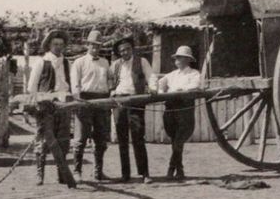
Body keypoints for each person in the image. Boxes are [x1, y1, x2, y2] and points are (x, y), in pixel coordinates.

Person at [27, 29, 72, 185]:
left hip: (63, 105)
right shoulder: (41, 62)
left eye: (61, 44)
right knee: (43, 141)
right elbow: (31, 87)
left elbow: (70, 84)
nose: (58, 47)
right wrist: (37, 102)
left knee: (63, 140)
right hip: (46, 106)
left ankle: (62, 174)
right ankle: (40, 175)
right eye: (55, 44)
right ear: (49, 45)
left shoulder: (67, 62)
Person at [110, 36, 156, 184]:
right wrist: (112, 92)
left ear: (132, 49)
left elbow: (151, 76)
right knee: (122, 139)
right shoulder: (115, 65)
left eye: (127, 49)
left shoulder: (141, 61)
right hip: (119, 103)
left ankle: (145, 173)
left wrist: (153, 88)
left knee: (138, 138)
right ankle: (125, 174)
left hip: (136, 101)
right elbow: (109, 82)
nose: (125, 52)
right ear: (118, 52)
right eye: (121, 50)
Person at [70, 30, 111, 182]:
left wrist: (109, 96)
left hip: (101, 101)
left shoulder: (105, 62)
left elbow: (109, 82)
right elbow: (75, 85)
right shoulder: (79, 62)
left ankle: (98, 171)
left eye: (98, 46)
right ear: (87, 45)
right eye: (93, 45)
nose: (95, 48)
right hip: (84, 100)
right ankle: (77, 171)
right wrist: (79, 99)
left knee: (101, 139)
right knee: (80, 138)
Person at [158, 45, 201, 180]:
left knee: (178, 141)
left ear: (188, 60)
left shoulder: (194, 74)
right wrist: (161, 92)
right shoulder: (171, 75)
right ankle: (179, 169)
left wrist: (181, 90)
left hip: (184, 109)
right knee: (174, 140)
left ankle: (173, 168)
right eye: (176, 57)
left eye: (180, 57)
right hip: (170, 109)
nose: (177, 59)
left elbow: (195, 87)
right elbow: (160, 84)